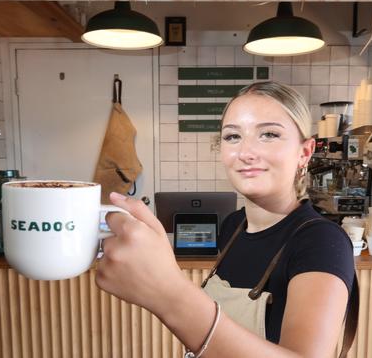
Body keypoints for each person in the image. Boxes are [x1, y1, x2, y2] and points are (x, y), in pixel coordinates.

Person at [96, 81, 357, 358]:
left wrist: (170, 295)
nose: (245, 153)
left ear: (304, 152)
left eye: (269, 134)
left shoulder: (321, 241)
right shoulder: (233, 226)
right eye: (233, 137)